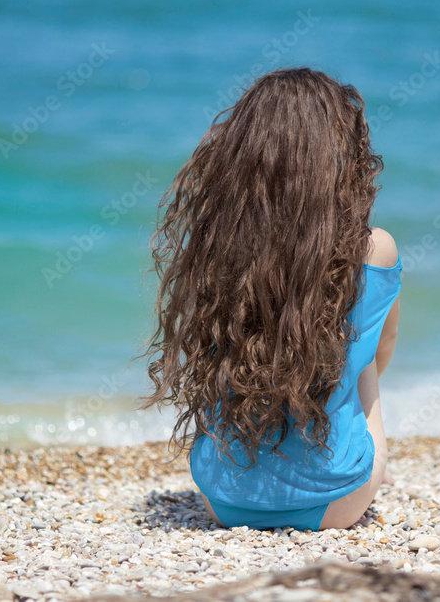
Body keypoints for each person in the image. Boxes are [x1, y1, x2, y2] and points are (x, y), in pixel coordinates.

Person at [140, 67, 402, 531]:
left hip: (224, 499)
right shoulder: (373, 247)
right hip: (337, 502)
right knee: (360, 362)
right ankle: (326, 456)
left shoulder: (217, 246)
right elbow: (380, 356)